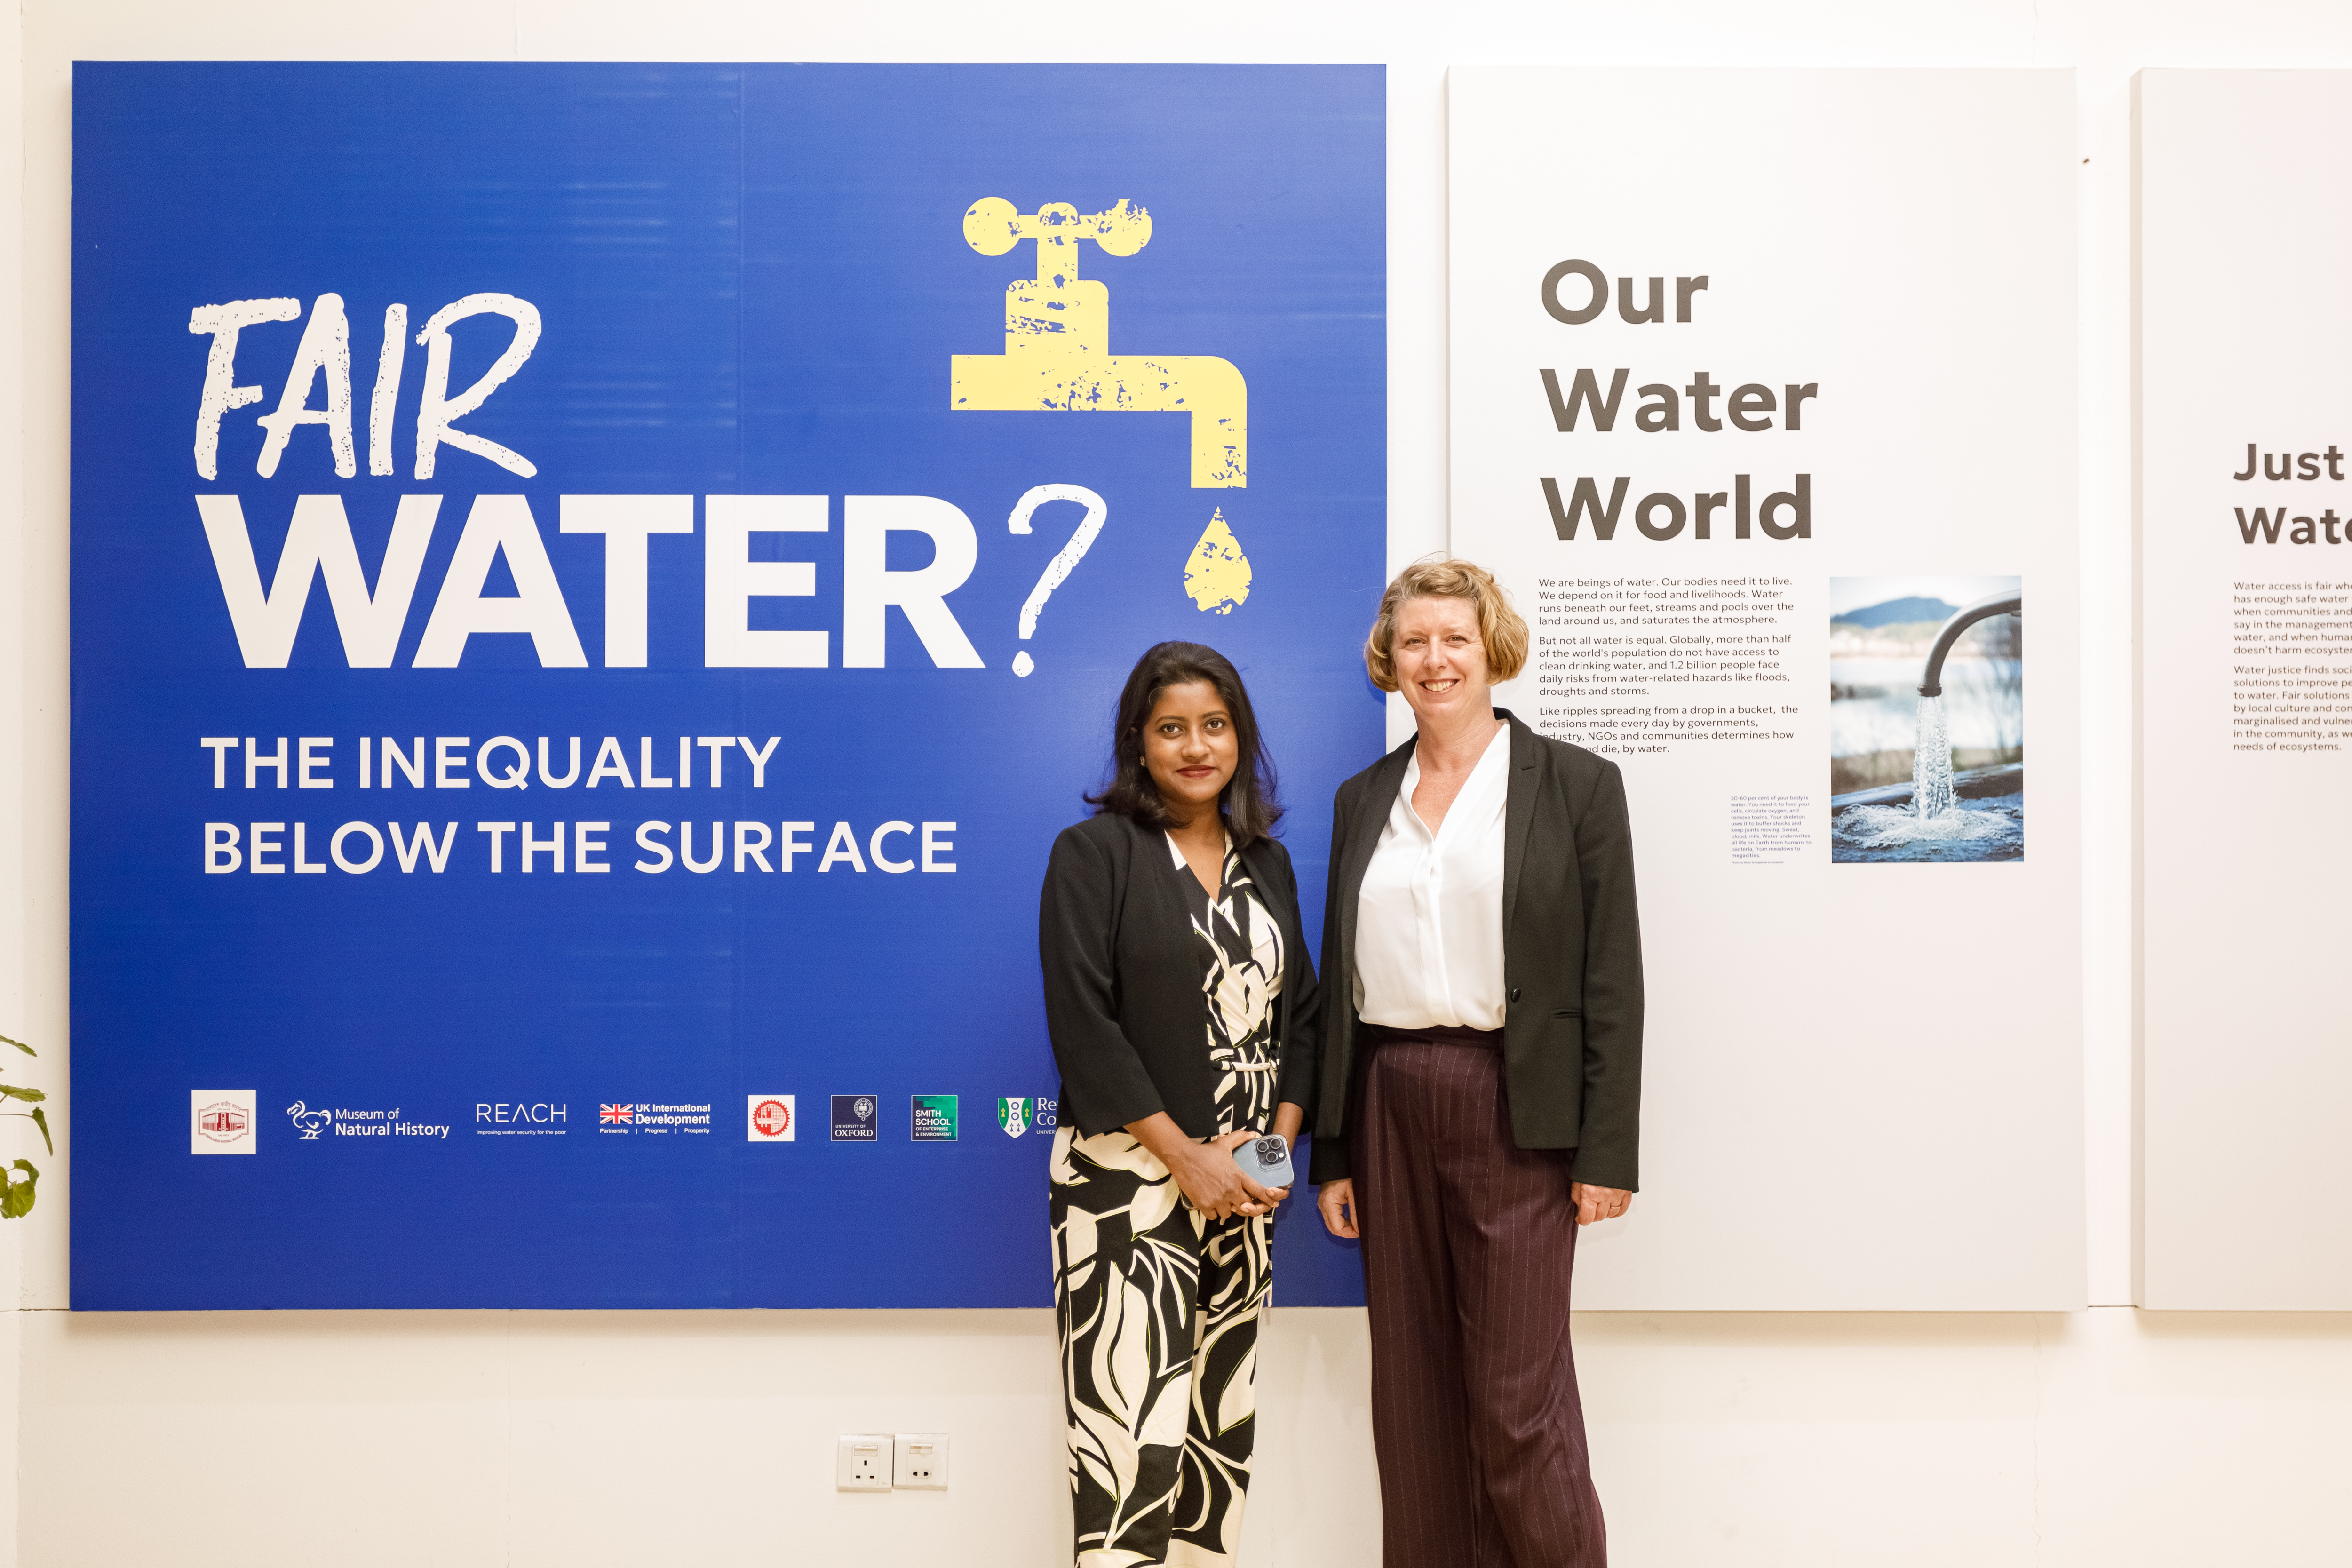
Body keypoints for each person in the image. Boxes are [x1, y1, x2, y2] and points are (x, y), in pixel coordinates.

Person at [1312, 557, 1643, 1568]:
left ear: (1491, 647)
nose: (1434, 659)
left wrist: (1606, 1151)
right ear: (1389, 658)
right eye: (1413, 641)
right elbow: (1342, 988)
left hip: (1517, 1104)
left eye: (1454, 637)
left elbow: (1612, 978)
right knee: (1412, 1399)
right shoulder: (1363, 797)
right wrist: (1335, 1152)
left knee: (1515, 1402)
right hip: (1390, 1097)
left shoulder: (1577, 785)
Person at [1038, 640, 1319, 1568]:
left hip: (1243, 1196)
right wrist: (1187, 1158)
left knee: (1214, 1436)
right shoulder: (1093, 855)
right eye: (1171, 728)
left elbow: (1302, 1020)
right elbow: (1084, 1025)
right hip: (1127, 1189)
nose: (1196, 746)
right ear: (1138, 742)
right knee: (1127, 1441)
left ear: (1240, 736)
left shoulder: (1267, 864)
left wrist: (1266, 1159)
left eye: (1214, 724)